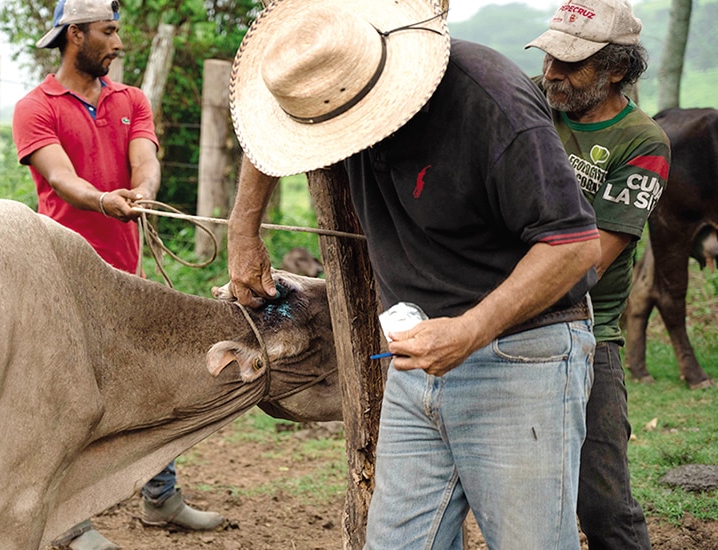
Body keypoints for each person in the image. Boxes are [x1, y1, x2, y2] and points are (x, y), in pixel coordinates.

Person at [225, 0, 603, 548]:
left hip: (522, 356)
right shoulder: (326, 82)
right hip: (416, 359)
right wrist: (243, 228)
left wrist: (468, 331)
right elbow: (266, 134)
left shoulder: (491, 103)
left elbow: (573, 247)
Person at [11, 0, 224, 548]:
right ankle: (68, 522)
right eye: (108, 31)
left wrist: (144, 192)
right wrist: (106, 201)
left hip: (125, 273)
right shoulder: (35, 107)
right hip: (64, 276)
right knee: (69, 398)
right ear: (75, 34)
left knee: (157, 382)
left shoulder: (131, 100)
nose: (119, 42)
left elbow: (145, 160)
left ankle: (161, 498)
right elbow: (60, 179)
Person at [526, 1, 670, 548]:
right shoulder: (531, 100)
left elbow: (591, 260)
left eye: (571, 64)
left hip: (588, 332)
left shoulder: (643, 141)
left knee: (603, 504)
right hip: (501, 316)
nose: (552, 74)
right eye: (549, 59)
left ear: (615, 69)